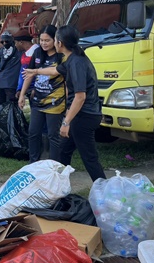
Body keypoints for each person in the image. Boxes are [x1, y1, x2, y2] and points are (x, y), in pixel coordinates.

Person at [24, 25, 106, 181]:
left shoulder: (77, 63)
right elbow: (54, 71)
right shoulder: (71, 59)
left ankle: (104, 189)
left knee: (89, 158)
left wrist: (66, 122)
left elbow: (80, 96)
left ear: (59, 43)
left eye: (54, 39)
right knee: (63, 151)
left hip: (85, 116)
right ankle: (59, 186)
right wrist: (35, 71)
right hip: (79, 115)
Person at [18, 25, 65, 164]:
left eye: (47, 40)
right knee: (33, 132)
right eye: (41, 40)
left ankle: (54, 165)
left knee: (53, 135)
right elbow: (29, 74)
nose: (44, 43)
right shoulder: (37, 52)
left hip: (55, 102)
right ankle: (33, 163)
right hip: (38, 100)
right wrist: (22, 95)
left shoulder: (61, 55)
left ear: (55, 40)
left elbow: (63, 77)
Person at [0, 31, 22, 104]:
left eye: (6, 41)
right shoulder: (0, 51)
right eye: (2, 42)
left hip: (11, 82)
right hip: (1, 82)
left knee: (11, 103)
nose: (4, 43)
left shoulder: (18, 51)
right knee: (1, 103)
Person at [13, 32, 39, 99]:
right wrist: (19, 89)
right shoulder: (24, 54)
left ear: (21, 42)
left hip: (36, 90)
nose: (15, 45)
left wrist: (36, 88)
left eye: (15, 42)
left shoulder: (37, 51)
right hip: (28, 89)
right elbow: (22, 73)